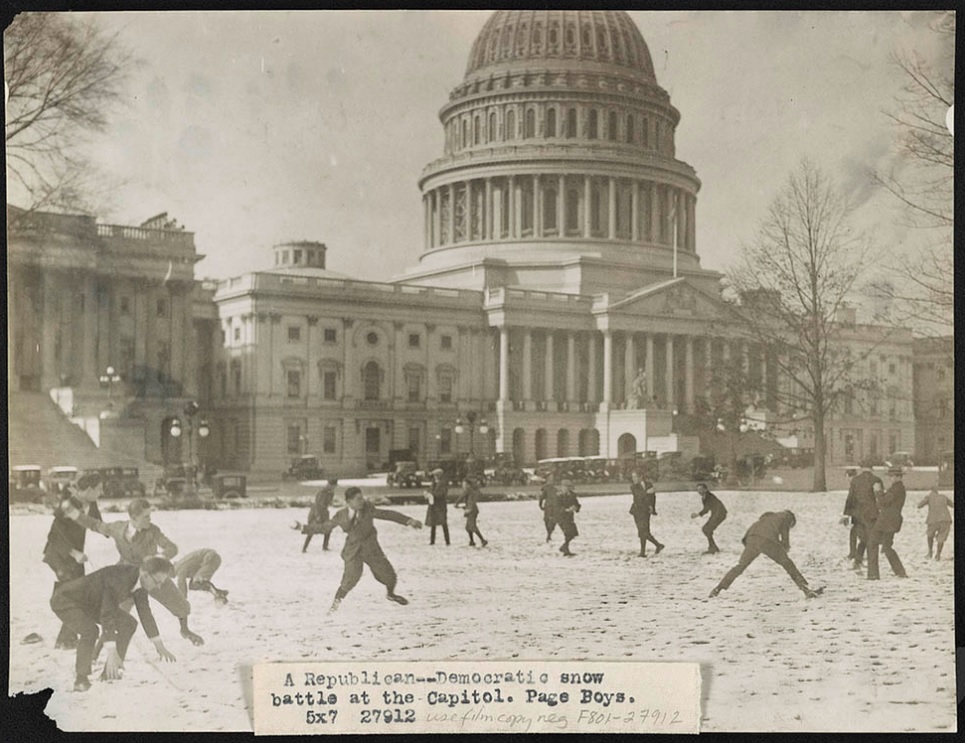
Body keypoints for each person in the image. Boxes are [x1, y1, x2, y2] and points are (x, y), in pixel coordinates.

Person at [62, 497, 204, 646]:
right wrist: (75, 515)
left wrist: (158, 557)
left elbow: (172, 548)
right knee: (114, 614)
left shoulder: (153, 531)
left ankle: (185, 630)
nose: (150, 519)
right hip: (126, 578)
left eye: (150, 515)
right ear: (134, 518)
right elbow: (96, 525)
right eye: (146, 516)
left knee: (181, 606)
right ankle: (96, 653)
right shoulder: (117, 528)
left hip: (152, 574)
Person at [49, 556, 178, 692]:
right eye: (157, 582)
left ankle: (111, 672)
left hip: (91, 603)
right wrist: (111, 651)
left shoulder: (140, 582)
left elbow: (145, 613)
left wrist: (159, 645)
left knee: (128, 624)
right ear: (145, 575)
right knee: (90, 631)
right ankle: (81, 680)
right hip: (66, 600)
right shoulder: (119, 579)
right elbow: (107, 615)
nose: (159, 586)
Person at [292, 487, 422, 613]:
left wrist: (408, 520)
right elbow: (325, 528)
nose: (362, 501)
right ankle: (335, 605)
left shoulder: (368, 508)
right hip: (353, 550)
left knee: (389, 575)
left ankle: (391, 594)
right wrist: (302, 528)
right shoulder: (341, 515)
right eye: (359, 499)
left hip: (371, 548)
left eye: (362, 498)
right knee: (349, 580)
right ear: (349, 502)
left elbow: (386, 514)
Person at [43, 473, 103, 649]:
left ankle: (65, 639)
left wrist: (118, 533)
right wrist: (73, 553)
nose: (101, 492)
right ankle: (65, 640)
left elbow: (97, 524)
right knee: (72, 593)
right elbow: (54, 535)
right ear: (89, 489)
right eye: (98, 489)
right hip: (60, 555)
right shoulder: (67, 505)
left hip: (76, 557)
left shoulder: (91, 502)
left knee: (75, 592)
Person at [709, 511, 820, 599]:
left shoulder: (764, 520)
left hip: (751, 539)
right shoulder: (786, 516)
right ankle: (805, 589)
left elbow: (751, 535)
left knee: (740, 566)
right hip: (767, 540)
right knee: (787, 564)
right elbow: (784, 532)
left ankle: (718, 588)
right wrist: (785, 546)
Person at [867, 466, 908, 580]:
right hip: (891, 520)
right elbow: (884, 502)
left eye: (892, 476)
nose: (890, 478)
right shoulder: (898, 488)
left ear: (898, 477)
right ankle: (900, 572)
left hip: (886, 521)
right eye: (890, 476)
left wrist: (878, 491)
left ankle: (873, 574)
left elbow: (884, 501)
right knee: (886, 547)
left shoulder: (896, 489)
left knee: (872, 543)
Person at [848, 460, 883, 569]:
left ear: (861, 468)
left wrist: (847, 514)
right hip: (871, 513)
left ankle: (858, 560)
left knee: (863, 538)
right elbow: (880, 497)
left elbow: (850, 498)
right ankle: (869, 564)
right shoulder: (876, 480)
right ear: (871, 468)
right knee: (871, 538)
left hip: (858, 514)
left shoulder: (855, 480)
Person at [629, 470, 664, 557]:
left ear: (640, 476)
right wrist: (647, 492)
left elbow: (653, 498)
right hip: (637, 511)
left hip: (646, 511)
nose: (633, 479)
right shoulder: (633, 487)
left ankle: (647, 550)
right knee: (642, 531)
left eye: (635, 477)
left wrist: (653, 508)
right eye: (632, 477)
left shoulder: (648, 484)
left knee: (645, 531)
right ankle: (655, 546)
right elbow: (639, 496)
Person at [917, 488, 954, 560]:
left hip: (933, 520)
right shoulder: (943, 497)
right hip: (945, 519)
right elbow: (952, 505)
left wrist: (926, 499)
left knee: (930, 535)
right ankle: (938, 555)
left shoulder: (929, 497)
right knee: (941, 538)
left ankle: (930, 552)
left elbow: (919, 506)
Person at [691, 483, 727, 554]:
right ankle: (713, 547)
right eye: (698, 490)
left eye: (701, 489)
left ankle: (712, 548)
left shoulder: (709, 497)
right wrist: (698, 514)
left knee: (706, 529)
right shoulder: (704, 497)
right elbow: (706, 509)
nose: (699, 491)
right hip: (716, 514)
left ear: (706, 489)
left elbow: (708, 508)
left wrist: (697, 514)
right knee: (706, 529)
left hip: (720, 514)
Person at [303, 481, 337, 553]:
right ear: (328, 484)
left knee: (328, 528)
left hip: (324, 512)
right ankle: (304, 548)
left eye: (334, 486)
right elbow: (317, 504)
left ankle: (325, 546)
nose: (333, 488)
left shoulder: (331, 493)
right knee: (311, 529)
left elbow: (329, 503)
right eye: (332, 486)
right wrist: (317, 515)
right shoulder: (322, 492)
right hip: (316, 512)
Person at [453, 477, 488, 547]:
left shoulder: (468, 490)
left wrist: (456, 503)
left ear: (467, 484)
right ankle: (472, 541)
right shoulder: (473, 490)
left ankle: (483, 540)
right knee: (468, 527)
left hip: (471, 510)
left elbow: (461, 497)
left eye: (464, 484)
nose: (463, 485)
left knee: (472, 526)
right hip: (473, 509)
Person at [424, 468, 450, 546]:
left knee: (443, 523)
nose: (435, 477)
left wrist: (432, 495)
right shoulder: (434, 483)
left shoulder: (443, 484)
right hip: (434, 506)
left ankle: (447, 541)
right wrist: (427, 494)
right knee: (433, 524)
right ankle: (432, 541)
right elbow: (430, 490)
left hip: (440, 506)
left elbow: (442, 493)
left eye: (436, 475)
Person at [556, 479, 581, 556]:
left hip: (570, 517)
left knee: (573, 533)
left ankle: (565, 547)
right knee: (567, 532)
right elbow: (556, 507)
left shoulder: (572, 495)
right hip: (561, 517)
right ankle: (565, 549)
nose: (567, 488)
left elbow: (577, 504)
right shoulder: (558, 496)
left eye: (568, 487)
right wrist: (565, 510)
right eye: (566, 486)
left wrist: (575, 508)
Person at [840, 468, 860, 560]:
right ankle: (855, 553)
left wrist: (846, 515)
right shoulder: (858, 484)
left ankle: (853, 553)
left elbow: (850, 501)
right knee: (857, 533)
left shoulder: (854, 485)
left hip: (858, 514)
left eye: (847, 476)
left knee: (855, 533)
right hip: (859, 513)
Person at [538, 474, 561, 542]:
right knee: (552, 521)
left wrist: (540, 505)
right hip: (554, 506)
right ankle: (549, 534)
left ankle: (549, 534)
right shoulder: (554, 489)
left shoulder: (548, 489)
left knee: (548, 520)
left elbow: (541, 498)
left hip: (549, 507)